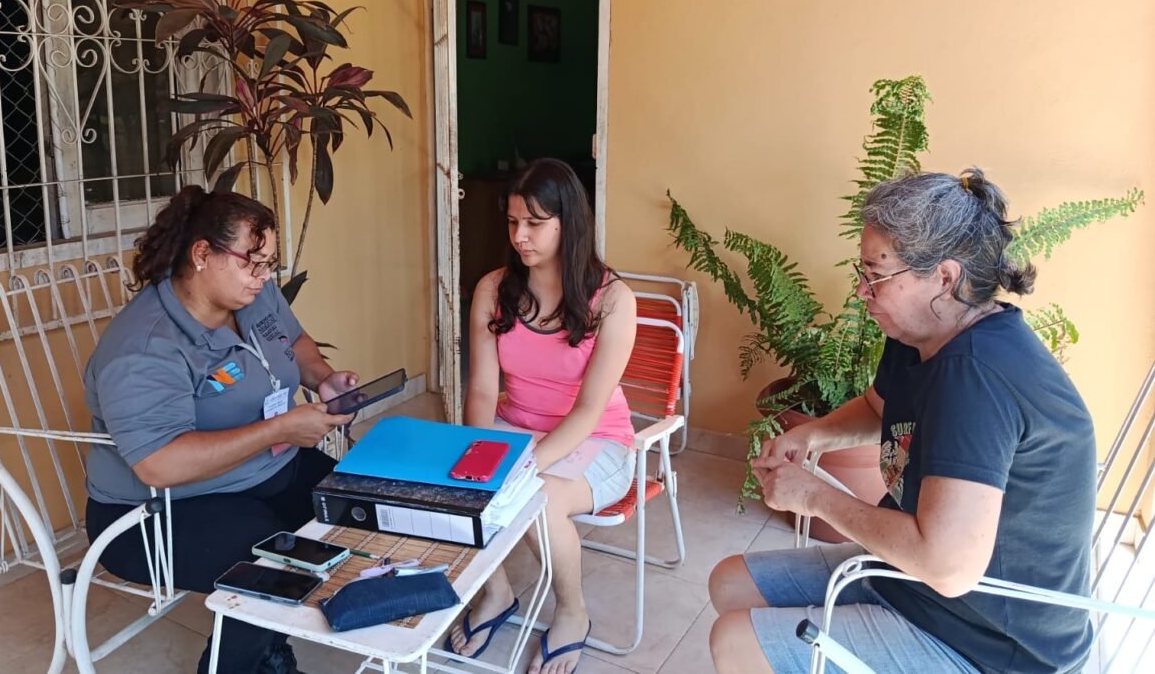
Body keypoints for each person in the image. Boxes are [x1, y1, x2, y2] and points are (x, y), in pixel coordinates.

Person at [707, 168, 1097, 674]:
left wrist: (814, 495)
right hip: (912, 582)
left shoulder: (975, 375)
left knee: (738, 642)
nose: (861, 291)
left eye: (877, 275)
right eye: (862, 271)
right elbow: (878, 407)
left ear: (945, 278)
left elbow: (947, 566)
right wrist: (811, 435)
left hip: (990, 643)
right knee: (728, 583)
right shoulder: (922, 333)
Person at [84, 186, 357, 674]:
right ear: (203, 254)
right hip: (157, 514)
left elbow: (292, 339)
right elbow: (160, 464)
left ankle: (265, 647)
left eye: (269, 264)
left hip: (266, 471)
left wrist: (323, 378)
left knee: (356, 511)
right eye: (252, 263)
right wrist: (278, 428)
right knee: (273, 568)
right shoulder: (146, 346)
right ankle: (245, 662)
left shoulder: (252, 297)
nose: (264, 277)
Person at [445, 158, 637, 674]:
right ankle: (497, 592)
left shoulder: (613, 299)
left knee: (539, 499)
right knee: (458, 482)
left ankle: (572, 613)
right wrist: (482, 454)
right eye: (512, 223)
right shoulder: (494, 288)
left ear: (567, 222)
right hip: (515, 426)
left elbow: (589, 409)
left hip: (597, 439)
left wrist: (523, 465)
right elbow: (483, 389)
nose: (520, 236)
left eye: (534, 223)